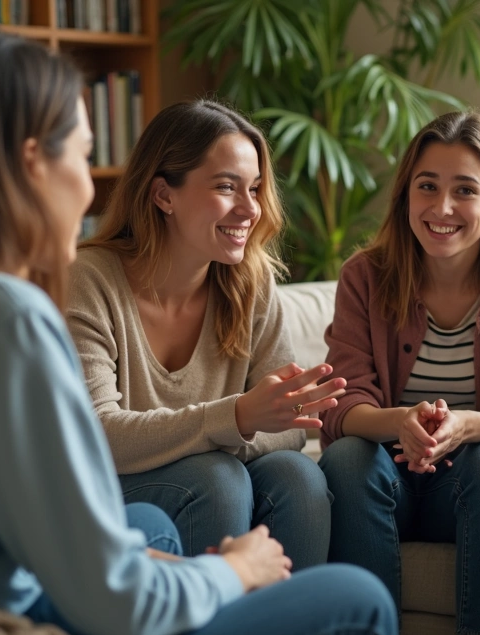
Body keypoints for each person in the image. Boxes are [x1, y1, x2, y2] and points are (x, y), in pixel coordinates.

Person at [0, 27, 395, 635]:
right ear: (30, 164)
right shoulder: (2, 313)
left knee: (157, 525)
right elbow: (116, 601)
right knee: (357, 597)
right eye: (81, 154)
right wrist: (232, 572)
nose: (89, 187)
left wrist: (169, 562)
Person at [67, 100, 340, 568]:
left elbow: (291, 429)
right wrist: (236, 416)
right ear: (163, 195)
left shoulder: (251, 282)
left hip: (217, 473)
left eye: (254, 188)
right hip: (111, 486)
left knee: (298, 476)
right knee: (217, 478)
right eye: (226, 187)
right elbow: (97, 435)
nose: (250, 208)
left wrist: (243, 423)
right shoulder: (90, 280)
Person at [320, 110, 480, 635]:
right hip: (386, 482)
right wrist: (401, 420)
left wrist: (466, 427)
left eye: (465, 191)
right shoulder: (365, 276)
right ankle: (368, 630)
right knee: (346, 457)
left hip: (472, 488)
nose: (442, 207)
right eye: (426, 186)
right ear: (407, 193)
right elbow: (340, 403)